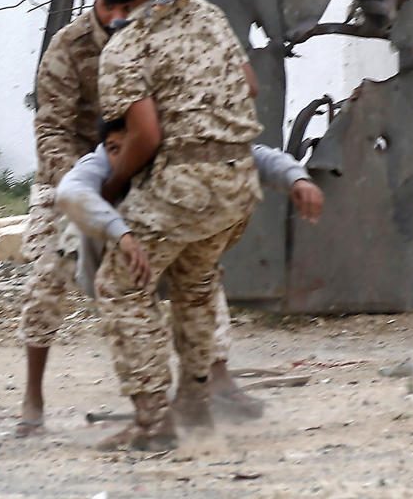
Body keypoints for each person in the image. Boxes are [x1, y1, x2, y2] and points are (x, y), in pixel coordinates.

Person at [93, 0, 265, 451]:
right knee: (193, 284)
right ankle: (196, 404)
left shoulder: (129, 45)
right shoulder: (210, 17)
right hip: (238, 183)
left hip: (181, 186)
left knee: (119, 285)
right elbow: (251, 84)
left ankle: (151, 422)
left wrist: (115, 187)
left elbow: (143, 136)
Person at [56, 117, 324, 417]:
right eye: (113, 148)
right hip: (110, 256)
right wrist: (120, 233)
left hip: (166, 246)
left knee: (203, 285)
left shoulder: (175, 161)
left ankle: (214, 383)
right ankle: (152, 408)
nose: (121, 156)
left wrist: (295, 178)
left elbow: (254, 156)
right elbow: (72, 194)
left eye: (129, 146)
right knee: (131, 311)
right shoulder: (101, 166)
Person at [16, 0, 135, 436]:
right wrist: (80, 188)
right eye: (110, 1)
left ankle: (211, 380)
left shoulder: (153, 42)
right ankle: (33, 395)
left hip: (133, 165)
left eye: (128, 2)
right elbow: (51, 131)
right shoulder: (68, 47)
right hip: (69, 173)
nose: (118, 13)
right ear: (97, 0)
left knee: (193, 267)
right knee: (48, 278)